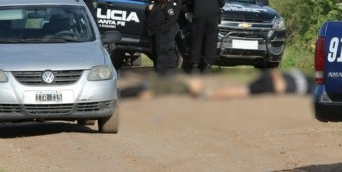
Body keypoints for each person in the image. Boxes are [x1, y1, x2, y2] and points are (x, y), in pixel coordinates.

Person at [118, 68, 315, 100]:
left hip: (278, 84)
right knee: (244, 90)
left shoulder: (312, 87)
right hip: (278, 82)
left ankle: (206, 93)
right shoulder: (314, 82)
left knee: (244, 90)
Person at [187, 0, 224, 73]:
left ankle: (195, 64)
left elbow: (191, 3)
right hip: (213, 18)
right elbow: (222, 3)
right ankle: (208, 64)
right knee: (211, 41)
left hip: (199, 18)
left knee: (197, 40)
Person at [145, 0, 180, 75]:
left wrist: (161, 30)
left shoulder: (167, 4)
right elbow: (150, 14)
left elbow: (171, 19)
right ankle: (159, 71)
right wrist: (148, 9)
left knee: (163, 53)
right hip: (153, 33)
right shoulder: (156, 3)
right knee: (155, 53)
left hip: (163, 33)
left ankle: (163, 73)